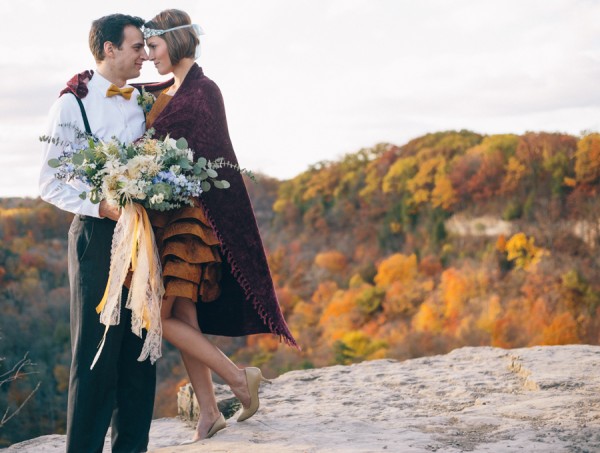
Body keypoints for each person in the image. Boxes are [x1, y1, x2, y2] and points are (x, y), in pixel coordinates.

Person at [140, 9, 298, 443]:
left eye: (153, 47)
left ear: (174, 41)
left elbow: (216, 160)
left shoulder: (204, 91)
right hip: (166, 222)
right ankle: (209, 412)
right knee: (185, 317)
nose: (149, 56)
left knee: (161, 318)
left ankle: (237, 376)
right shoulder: (161, 91)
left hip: (193, 226)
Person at [39, 14, 156, 453]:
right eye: (136, 48)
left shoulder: (141, 101)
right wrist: (100, 206)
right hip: (96, 237)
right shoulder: (72, 104)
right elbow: (49, 182)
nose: (144, 55)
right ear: (109, 49)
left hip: (143, 237)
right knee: (95, 355)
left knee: (140, 355)